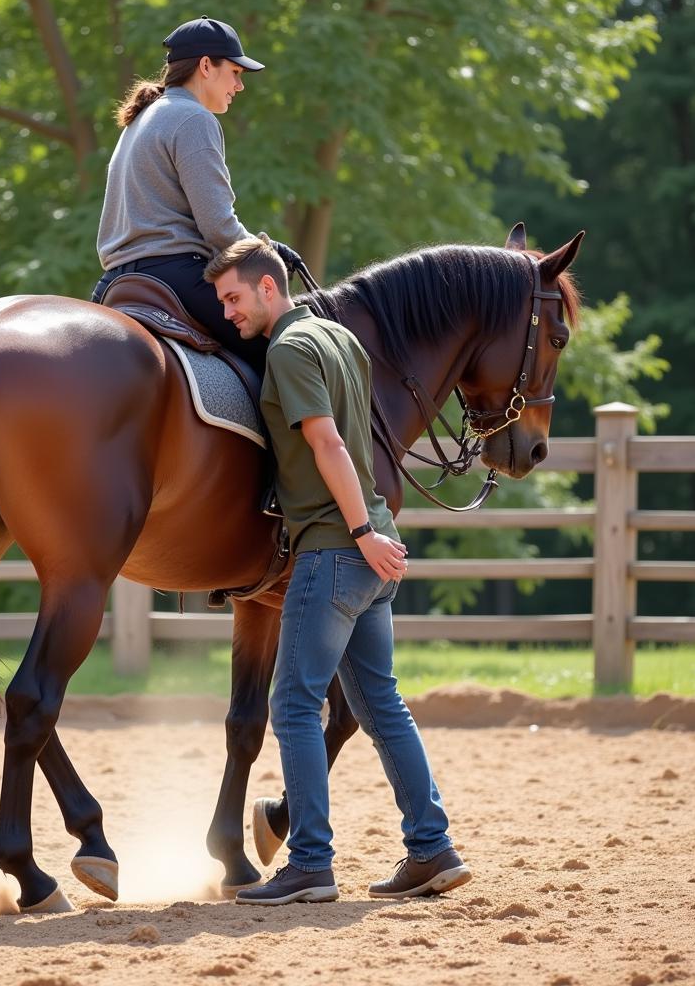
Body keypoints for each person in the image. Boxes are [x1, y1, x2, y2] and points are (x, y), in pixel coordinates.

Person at [204, 235, 471, 905]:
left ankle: (310, 863)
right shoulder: (339, 338)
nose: (228, 312)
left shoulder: (289, 350)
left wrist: (355, 531)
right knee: (382, 706)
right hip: (375, 547)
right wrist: (374, 533)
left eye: (234, 298)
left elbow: (326, 442)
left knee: (293, 703)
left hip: (334, 550)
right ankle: (431, 850)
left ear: (271, 288)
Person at [91, 15, 299, 371]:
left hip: (114, 282)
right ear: (206, 65)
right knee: (292, 354)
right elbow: (218, 228)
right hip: (176, 276)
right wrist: (266, 252)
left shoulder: (142, 118)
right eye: (235, 72)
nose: (239, 86)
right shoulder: (194, 119)